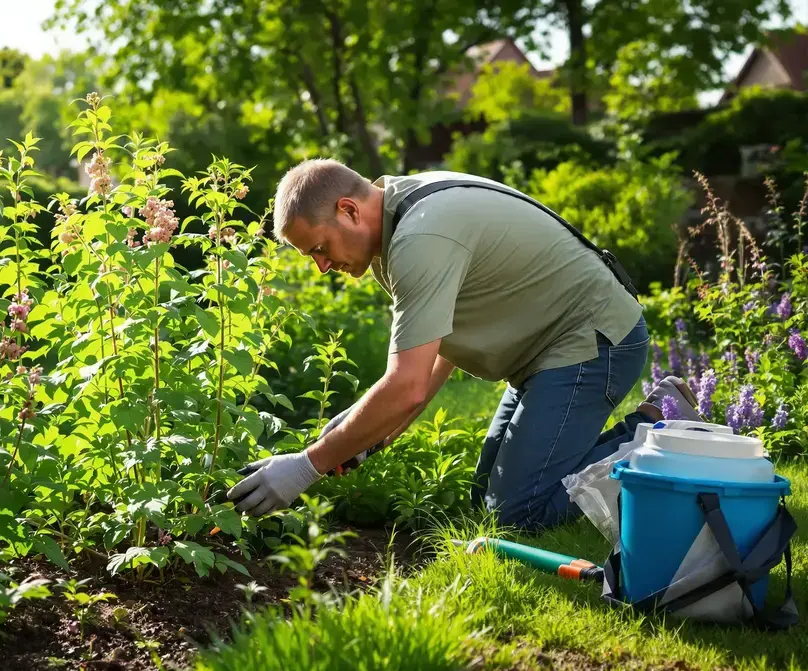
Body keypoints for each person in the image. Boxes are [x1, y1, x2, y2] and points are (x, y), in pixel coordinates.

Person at [227, 160, 701, 531]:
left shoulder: (420, 236)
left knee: (521, 513)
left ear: (348, 210)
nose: (321, 267)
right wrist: (371, 433)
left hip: (594, 341)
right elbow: (433, 358)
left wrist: (306, 467)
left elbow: (407, 384)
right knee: (489, 503)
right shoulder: (398, 222)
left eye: (319, 248)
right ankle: (631, 435)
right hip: (545, 353)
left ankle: (662, 428)